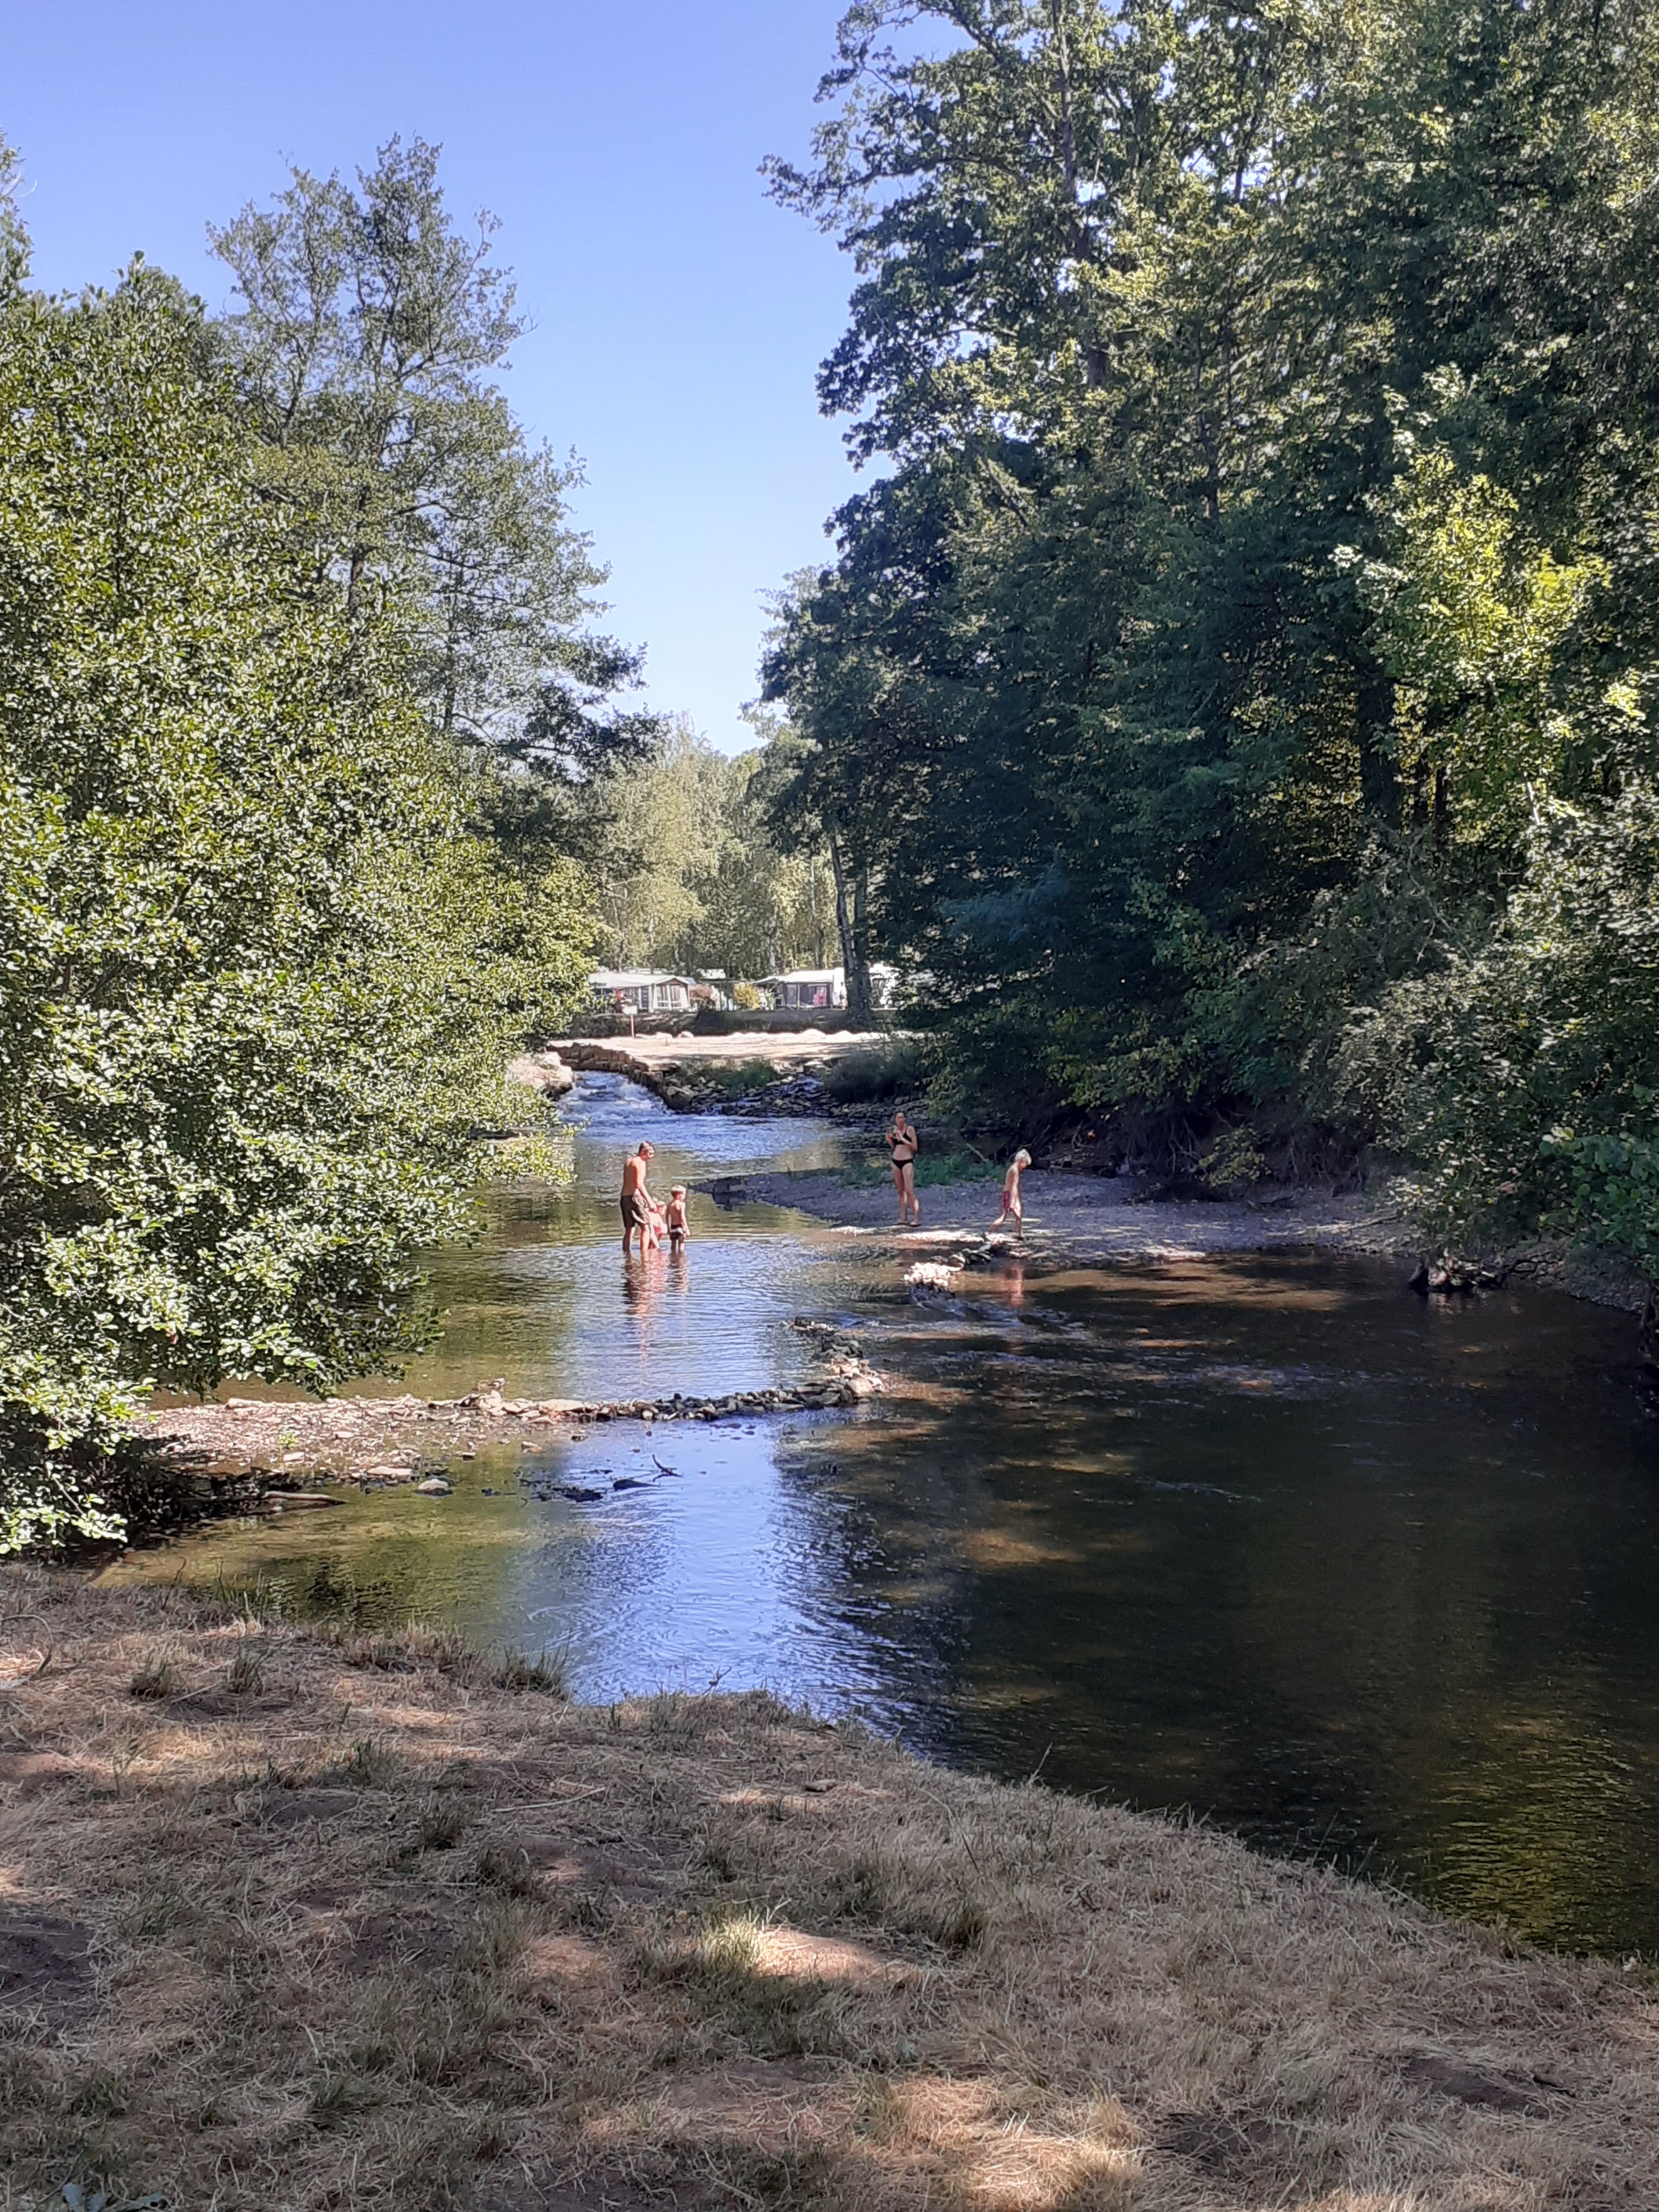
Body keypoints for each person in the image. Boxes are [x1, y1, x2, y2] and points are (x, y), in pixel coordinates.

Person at [620, 1141, 656, 1256]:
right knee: (646, 1227)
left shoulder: (629, 1162)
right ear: (643, 1152)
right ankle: (644, 1256)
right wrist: (650, 1202)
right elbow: (639, 1184)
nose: (651, 1157)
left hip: (624, 1197)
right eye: (650, 1154)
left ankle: (626, 1255)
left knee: (629, 1229)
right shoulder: (640, 1162)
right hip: (635, 1197)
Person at [887, 1109, 921, 1226]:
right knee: (901, 1191)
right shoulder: (894, 1130)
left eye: (902, 1117)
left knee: (909, 1190)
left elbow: (915, 1147)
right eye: (899, 1118)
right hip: (896, 1161)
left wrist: (902, 1139)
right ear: (895, 1120)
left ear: (905, 1119)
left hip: (907, 1161)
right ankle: (903, 1218)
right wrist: (890, 1140)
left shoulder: (910, 1129)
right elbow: (895, 1147)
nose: (901, 1120)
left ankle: (916, 1218)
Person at [992, 1148, 1032, 1235]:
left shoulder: (1015, 1169)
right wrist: (1013, 1199)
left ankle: (1021, 1235)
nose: (1025, 1166)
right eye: (1025, 1164)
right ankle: (989, 1232)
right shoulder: (1014, 1170)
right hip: (1010, 1194)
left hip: (1011, 1194)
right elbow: (1013, 1186)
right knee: (1003, 1217)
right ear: (1022, 1161)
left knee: (1018, 1216)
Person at [665, 1185, 689, 1251]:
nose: (684, 1197)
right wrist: (686, 1229)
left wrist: (668, 1228)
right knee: (681, 1244)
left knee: (673, 1245)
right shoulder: (682, 1204)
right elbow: (682, 1217)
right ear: (679, 1196)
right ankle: (681, 1256)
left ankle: (673, 1256)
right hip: (680, 1226)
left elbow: (667, 1216)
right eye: (684, 1195)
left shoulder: (670, 1204)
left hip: (673, 1227)